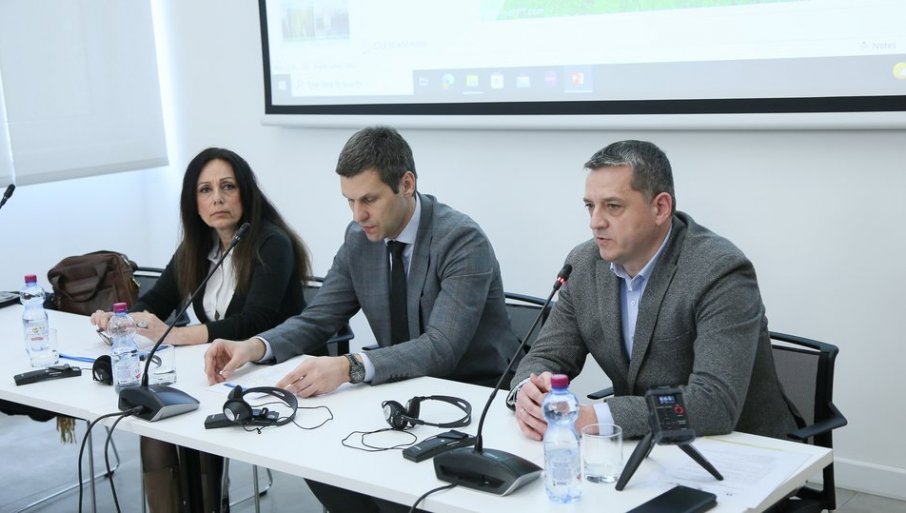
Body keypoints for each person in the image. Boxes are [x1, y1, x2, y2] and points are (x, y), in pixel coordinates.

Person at [203, 126, 520, 513]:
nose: (358, 215)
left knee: (391, 489)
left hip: (472, 395)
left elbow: (442, 347)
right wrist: (255, 346)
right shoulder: (359, 237)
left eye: (369, 199)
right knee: (319, 463)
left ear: (406, 184)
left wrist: (348, 366)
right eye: (349, 201)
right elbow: (319, 316)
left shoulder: (461, 240)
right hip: (402, 393)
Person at [510, 140, 799, 443]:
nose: (595, 222)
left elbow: (714, 403)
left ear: (660, 208)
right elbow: (546, 355)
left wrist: (598, 418)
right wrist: (529, 393)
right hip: (643, 445)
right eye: (590, 206)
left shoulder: (719, 271)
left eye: (613, 206)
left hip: (739, 446)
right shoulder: (583, 264)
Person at [91, 147, 312, 513]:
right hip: (215, 369)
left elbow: (254, 321)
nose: (217, 199)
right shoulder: (197, 248)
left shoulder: (272, 243)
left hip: (269, 372)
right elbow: (157, 301)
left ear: (246, 193)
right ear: (194, 203)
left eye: (228, 187)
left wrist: (174, 334)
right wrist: (120, 320)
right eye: (205, 190)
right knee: (153, 421)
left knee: (196, 423)